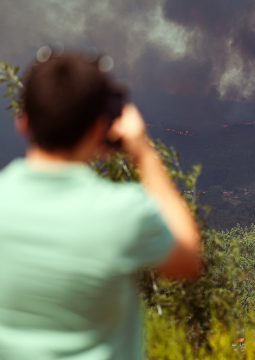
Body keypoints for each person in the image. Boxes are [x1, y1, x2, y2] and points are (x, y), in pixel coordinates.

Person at [0, 53, 202, 359]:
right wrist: (144, 154)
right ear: (100, 128)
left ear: (23, 123)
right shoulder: (121, 212)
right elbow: (187, 260)